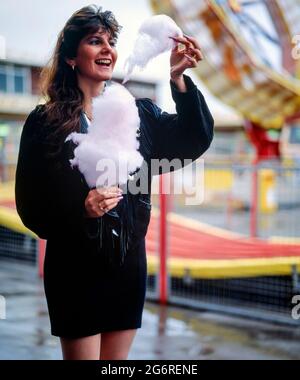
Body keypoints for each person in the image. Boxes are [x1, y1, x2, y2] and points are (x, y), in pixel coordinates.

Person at [15, 4, 214, 360]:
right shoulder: (45, 123)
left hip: (126, 265)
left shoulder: (139, 115)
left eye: (111, 41)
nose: (108, 49)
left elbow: (193, 139)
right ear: (72, 57)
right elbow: (31, 206)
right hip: (75, 269)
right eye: (95, 41)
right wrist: (82, 209)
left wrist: (178, 81)